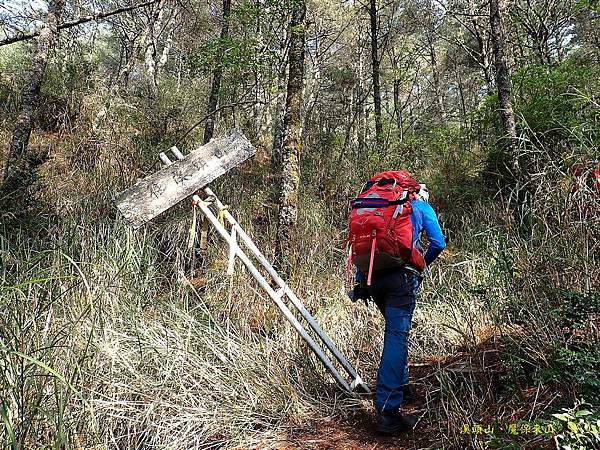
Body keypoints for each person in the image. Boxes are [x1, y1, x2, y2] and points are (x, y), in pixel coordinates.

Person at [354, 183, 446, 435]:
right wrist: (420, 266)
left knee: (396, 335)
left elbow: (364, 245)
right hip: (401, 280)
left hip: (372, 281)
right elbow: (438, 243)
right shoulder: (419, 206)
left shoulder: (376, 206)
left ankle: (402, 386)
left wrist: (361, 280)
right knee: (396, 338)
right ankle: (388, 411)